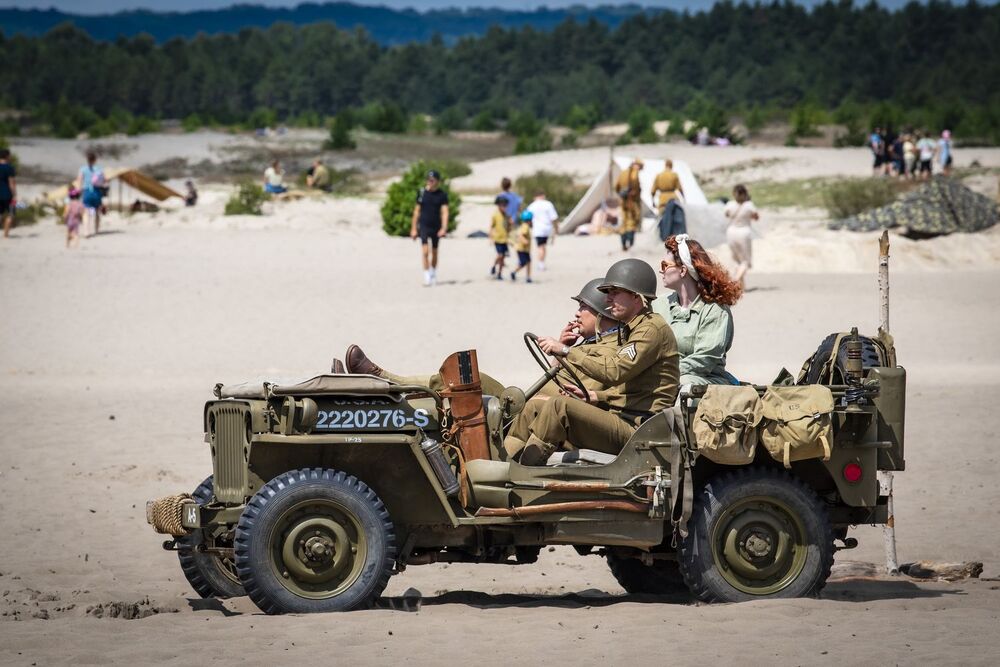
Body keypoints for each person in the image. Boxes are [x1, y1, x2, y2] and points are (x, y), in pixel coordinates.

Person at [504, 258, 680, 464]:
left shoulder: (650, 329)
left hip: (639, 429)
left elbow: (614, 372)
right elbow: (635, 387)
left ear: (636, 296)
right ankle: (506, 463)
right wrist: (598, 397)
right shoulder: (632, 328)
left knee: (559, 407)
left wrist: (566, 351)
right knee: (533, 408)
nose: (607, 300)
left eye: (614, 293)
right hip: (623, 418)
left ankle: (524, 474)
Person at [343, 278, 623, 401]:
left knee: (466, 378)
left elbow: (580, 393)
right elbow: (557, 381)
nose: (576, 313)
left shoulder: (609, 350)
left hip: (533, 411)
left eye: (583, 307)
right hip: (529, 404)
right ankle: (378, 388)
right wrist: (562, 353)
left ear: (601, 314)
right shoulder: (589, 345)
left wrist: (564, 352)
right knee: (458, 386)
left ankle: (385, 381)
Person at [653, 235, 742, 387]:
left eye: (664, 265)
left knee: (684, 384)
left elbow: (705, 359)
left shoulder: (715, 310)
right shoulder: (659, 304)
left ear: (682, 270)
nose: (661, 271)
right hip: (659, 376)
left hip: (703, 380)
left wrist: (665, 373)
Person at [410, 170, 449, 286]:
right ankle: (427, 275)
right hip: (424, 225)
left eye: (432, 180)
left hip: (436, 226)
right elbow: (416, 212)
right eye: (428, 179)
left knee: (435, 252)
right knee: (425, 252)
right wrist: (413, 228)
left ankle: (433, 272)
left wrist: (444, 228)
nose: (430, 181)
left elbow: (445, 212)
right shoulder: (421, 193)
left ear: (437, 181)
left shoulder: (442, 195)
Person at [723, 184, 758, 288]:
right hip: (744, 232)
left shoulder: (730, 204)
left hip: (731, 232)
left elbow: (727, 215)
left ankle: (742, 287)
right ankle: (735, 281)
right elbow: (756, 217)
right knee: (745, 261)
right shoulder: (749, 205)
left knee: (737, 260)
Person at [652, 158, 686, 240]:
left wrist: (652, 200)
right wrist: (683, 197)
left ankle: (663, 237)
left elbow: (653, 190)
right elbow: (680, 188)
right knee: (674, 219)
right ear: (671, 165)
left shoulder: (659, 175)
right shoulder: (674, 175)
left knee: (663, 218)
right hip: (673, 197)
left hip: (662, 199)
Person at [525, 191, 558, 270]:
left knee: (540, 246)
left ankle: (541, 263)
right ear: (543, 196)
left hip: (537, 229)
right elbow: (554, 218)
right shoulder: (548, 204)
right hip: (547, 228)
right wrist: (556, 228)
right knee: (542, 246)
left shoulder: (531, 206)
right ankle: (541, 262)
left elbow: (527, 218)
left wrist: (528, 227)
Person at [614, 158, 642, 251]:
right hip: (632, 201)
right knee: (631, 222)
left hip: (623, 201)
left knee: (623, 223)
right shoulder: (634, 173)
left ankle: (623, 244)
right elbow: (636, 188)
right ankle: (630, 244)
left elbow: (616, 186)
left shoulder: (623, 173)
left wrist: (621, 195)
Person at [77, 151, 105, 237]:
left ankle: (86, 231)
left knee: (86, 212)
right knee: (97, 211)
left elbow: (79, 181)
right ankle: (96, 230)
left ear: (87, 159)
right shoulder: (99, 169)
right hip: (97, 192)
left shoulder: (82, 169)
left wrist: (79, 192)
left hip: (87, 192)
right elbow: (104, 181)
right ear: (95, 160)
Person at [489, 195, 510, 280]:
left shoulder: (506, 215)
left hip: (505, 239)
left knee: (503, 257)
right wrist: (490, 237)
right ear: (498, 205)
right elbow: (491, 226)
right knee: (500, 255)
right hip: (497, 239)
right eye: (502, 205)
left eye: (505, 205)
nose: (504, 207)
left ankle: (499, 273)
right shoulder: (495, 215)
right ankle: (494, 265)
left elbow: (508, 227)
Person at [510, 210, 533, 283]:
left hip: (525, 249)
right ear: (529, 220)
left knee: (529, 261)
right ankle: (514, 272)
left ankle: (528, 277)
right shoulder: (525, 227)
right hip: (521, 248)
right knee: (523, 263)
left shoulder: (524, 225)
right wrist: (525, 241)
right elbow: (521, 235)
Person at [0, 148, 15, 239]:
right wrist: (15, 195)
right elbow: (11, 183)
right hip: (7, 194)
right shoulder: (9, 168)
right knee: (10, 214)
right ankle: (5, 234)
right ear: (7, 156)